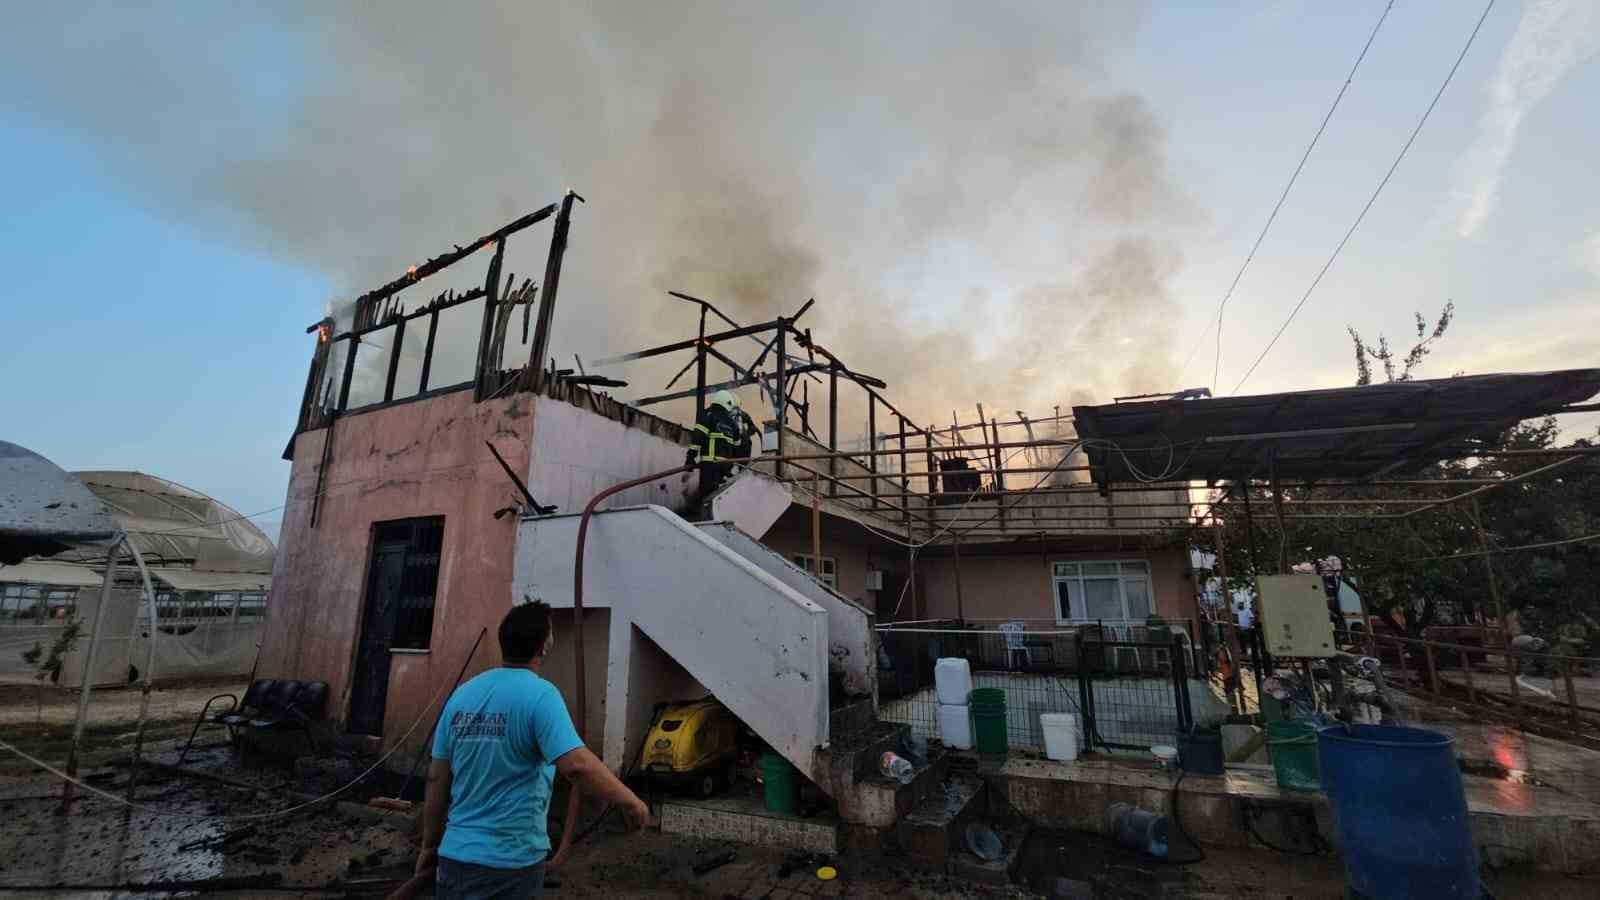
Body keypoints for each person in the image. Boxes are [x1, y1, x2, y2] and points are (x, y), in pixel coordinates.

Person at [417, 601, 650, 900]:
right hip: (509, 866)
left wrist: (429, 845)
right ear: (544, 645)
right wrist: (631, 802)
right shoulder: (541, 696)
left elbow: (437, 778)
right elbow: (576, 766)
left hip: (454, 860)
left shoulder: (462, 695)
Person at [687, 390, 756, 505]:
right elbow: (738, 445)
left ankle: (704, 516)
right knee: (719, 495)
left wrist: (690, 457)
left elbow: (697, 438)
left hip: (710, 464)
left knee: (707, 495)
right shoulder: (732, 422)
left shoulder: (708, 415)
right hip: (726, 466)